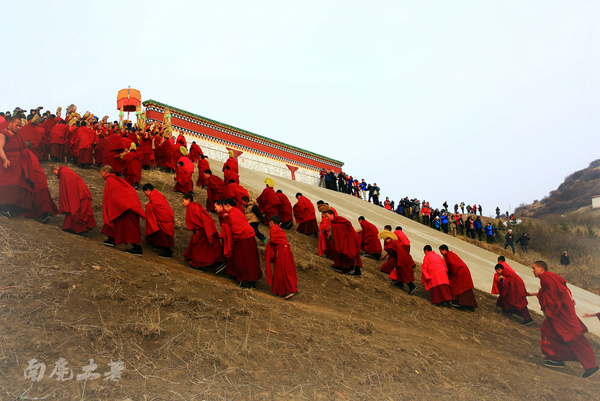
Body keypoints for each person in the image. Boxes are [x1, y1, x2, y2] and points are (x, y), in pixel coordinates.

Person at [529, 261, 598, 378]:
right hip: (560, 313)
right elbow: (562, 290)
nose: (533, 270)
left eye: (534, 268)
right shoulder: (549, 277)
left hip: (561, 314)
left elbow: (556, 295)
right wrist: (538, 293)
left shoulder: (546, 278)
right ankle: (555, 358)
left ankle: (591, 366)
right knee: (549, 332)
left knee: (574, 337)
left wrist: (549, 308)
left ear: (541, 269)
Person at [100, 165, 146, 255]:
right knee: (115, 222)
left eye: (101, 173)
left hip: (126, 207)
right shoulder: (115, 179)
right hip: (125, 206)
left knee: (129, 228)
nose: (101, 175)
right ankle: (111, 240)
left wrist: (111, 207)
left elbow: (110, 196)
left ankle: (137, 249)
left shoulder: (110, 180)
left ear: (106, 172)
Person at [217, 199, 262, 288]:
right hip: (247, 237)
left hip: (244, 238)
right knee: (240, 258)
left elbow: (236, 229)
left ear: (227, 205)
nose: (224, 210)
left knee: (245, 260)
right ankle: (237, 275)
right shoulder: (236, 211)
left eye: (224, 207)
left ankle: (249, 281)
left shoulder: (233, 214)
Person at [182, 192, 225, 272]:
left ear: (188, 200)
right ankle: (215, 262)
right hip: (206, 228)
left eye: (183, 201)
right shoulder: (195, 205)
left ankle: (198, 264)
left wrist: (200, 229)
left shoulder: (192, 207)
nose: (182, 203)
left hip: (202, 230)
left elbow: (197, 221)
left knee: (200, 249)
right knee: (209, 247)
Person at [52, 165, 96, 234]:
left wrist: (69, 197)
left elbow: (69, 186)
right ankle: (73, 228)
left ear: (57, 169)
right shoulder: (65, 171)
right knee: (76, 208)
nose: (56, 176)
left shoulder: (64, 172)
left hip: (79, 192)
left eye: (55, 173)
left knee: (75, 208)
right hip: (79, 190)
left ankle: (80, 228)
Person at [264, 215, 298, 299]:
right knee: (283, 271)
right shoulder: (280, 230)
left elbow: (273, 240)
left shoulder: (274, 229)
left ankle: (288, 290)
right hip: (286, 251)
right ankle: (279, 290)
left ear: (271, 222)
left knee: (282, 271)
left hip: (281, 252)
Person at [323, 209, 362, 276]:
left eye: (327, 216)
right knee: (345, 253)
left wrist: (332, 228)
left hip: (350, 238)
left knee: (350, 253)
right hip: (347, 239)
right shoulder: (334, 222)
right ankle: (346, 268)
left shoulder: (339, 219)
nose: (326, 218)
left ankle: (355, 270)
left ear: (332, 215)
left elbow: (348, 224)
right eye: (325, 217)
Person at [439, 245, 477, 312]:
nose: (441, 253)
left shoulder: (449, 256)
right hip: (461, 271)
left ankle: (463, 303)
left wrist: (448, 274)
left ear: (445, 250)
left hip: (460, 273)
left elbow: (453, 266)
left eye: (441, 251)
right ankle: (459, 302)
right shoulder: (449, 254)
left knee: (458, 287)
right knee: (462, 288)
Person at [142, 183, 175, 258]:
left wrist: (148, 207)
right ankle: (158, 246)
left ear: (148, 190)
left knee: (163, 235)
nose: (145, 194)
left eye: (145, 192)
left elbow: (158, 207)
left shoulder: (154, 198)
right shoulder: (157, 194)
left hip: (164, 218)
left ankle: (167, 251)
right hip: (165, 216)